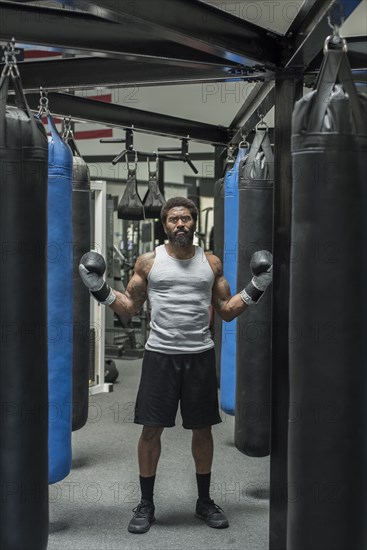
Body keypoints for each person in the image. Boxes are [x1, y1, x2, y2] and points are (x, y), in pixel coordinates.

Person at [79, 197, 272, 535]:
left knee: (203, 430)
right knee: (151, 430)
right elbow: (129, 308)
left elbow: (226, 310)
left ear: (194, 223)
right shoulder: (148, 263)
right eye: (173, 220)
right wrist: (99, 289)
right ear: (164, 225)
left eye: (186, 219)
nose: (180, 225)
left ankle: (204, 501)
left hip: (198, 355)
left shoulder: (210, 264)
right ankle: (146, 503)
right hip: (160, 357)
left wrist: (257, 286)